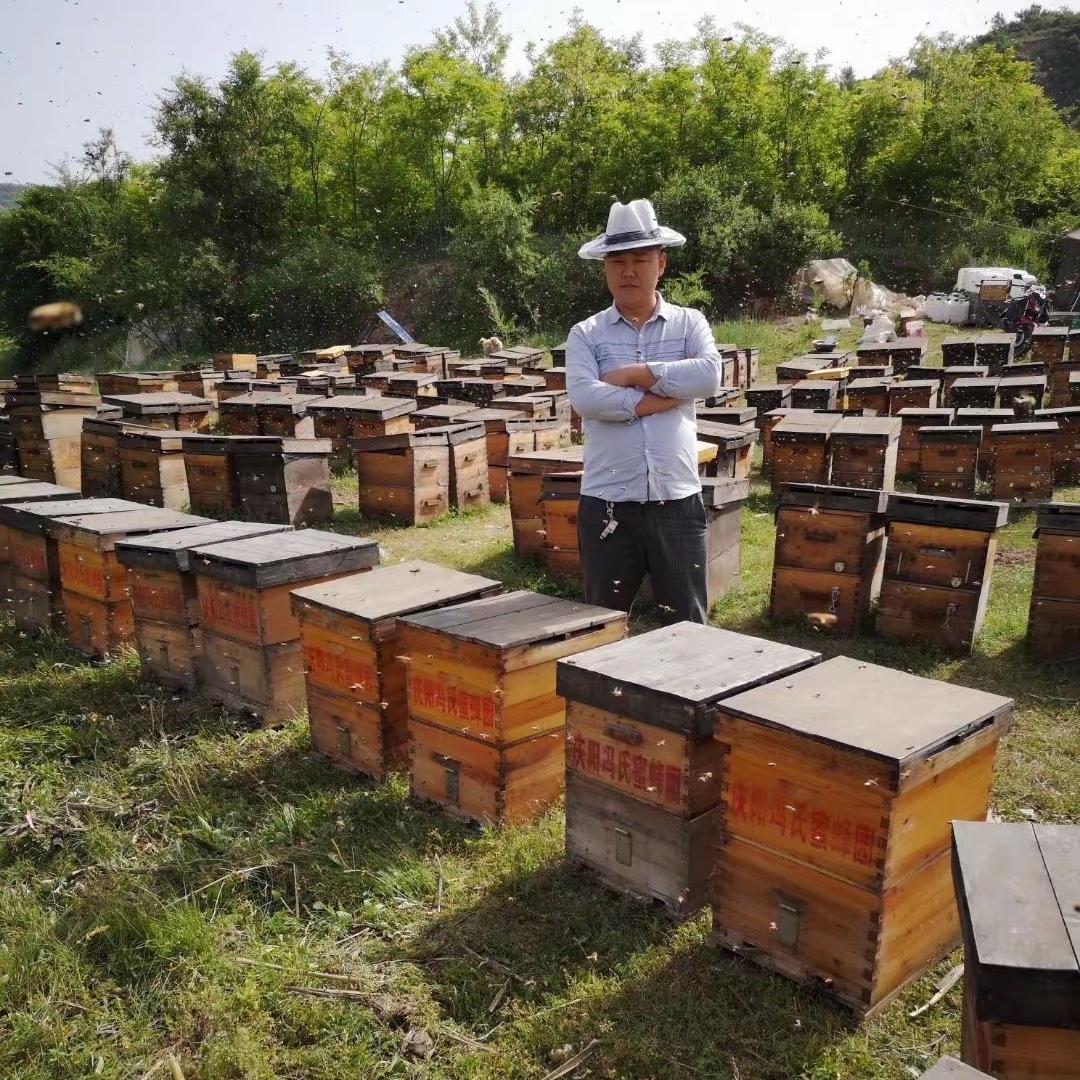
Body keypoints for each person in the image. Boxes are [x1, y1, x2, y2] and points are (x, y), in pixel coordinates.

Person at [566, 198, 724, 624]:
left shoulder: (690, 323)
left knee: (687, 624)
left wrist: (635, 373)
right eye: (618, 261)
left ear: (662, 264)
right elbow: (586, 398)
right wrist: (663, 397)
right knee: (599, 624)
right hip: (608, 503)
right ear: (605, 269)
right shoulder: (585, 334)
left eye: (640, 259)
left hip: (677, 500)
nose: (628, 271)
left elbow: (709, 376)